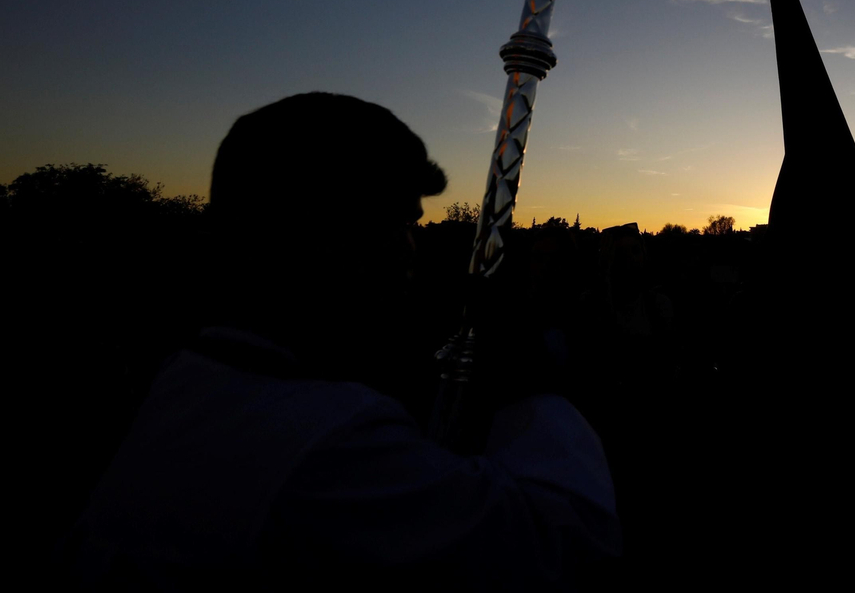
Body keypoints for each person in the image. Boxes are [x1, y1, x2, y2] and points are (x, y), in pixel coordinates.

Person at [65, 93, 619, 588]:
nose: (410, 250)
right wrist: (529, 382)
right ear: (315, 229)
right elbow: (567, 543)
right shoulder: (323, 440)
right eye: (395, 223)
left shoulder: (187, 378)